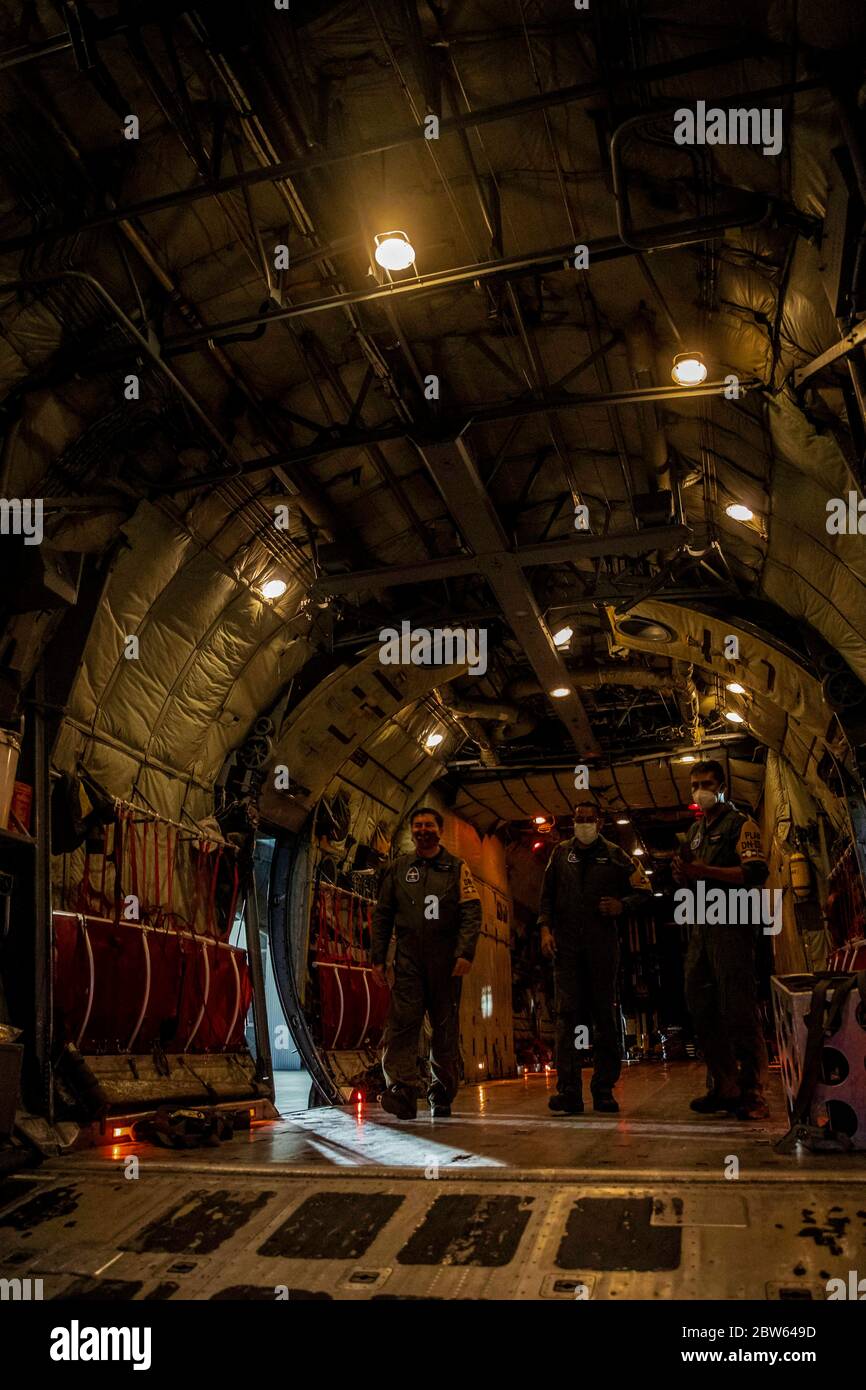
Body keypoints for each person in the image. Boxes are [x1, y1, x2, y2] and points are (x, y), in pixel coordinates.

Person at [538, 803, 651, 1114]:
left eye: (589, 819)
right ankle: (569, 1092)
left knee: (604, 1017)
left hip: (602, 946)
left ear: (600, 822)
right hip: (567, 948)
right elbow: (546, 897)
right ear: (572, 822)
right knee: (567, 1018)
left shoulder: (615, 854)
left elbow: (644, 891)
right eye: (579, 819)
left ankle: (603, 1090)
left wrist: (621, 905)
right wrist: (545, 931)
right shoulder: (560, 854)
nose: (584, 824)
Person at [672, 760, 770, 1121]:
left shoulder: (741, 824)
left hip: (732, 922)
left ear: (722, 785)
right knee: (702, 1005)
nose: (700, 789)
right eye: (695, 784)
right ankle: (723, 1086)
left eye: (707, 783)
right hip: (700, 926)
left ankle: (752, 1091)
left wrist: (704, 871)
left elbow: (755, 872)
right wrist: (684, 875)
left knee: (737, 1006)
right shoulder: (696, 832)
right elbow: (694, 879)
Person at [371, 807, 481, 1119]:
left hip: (446, 962)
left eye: (428, 825)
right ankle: (402, 1091)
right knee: (402, 1025)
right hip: (408, 961)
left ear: (439, 831)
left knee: (444, 1029)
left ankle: (441, 1092)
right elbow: (383, 914)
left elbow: (471, 912)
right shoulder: (398, 869)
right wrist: (378, 958)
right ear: (412, 831)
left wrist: (465, 952)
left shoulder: (457, 869)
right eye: (417, 826)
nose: (422, 830)